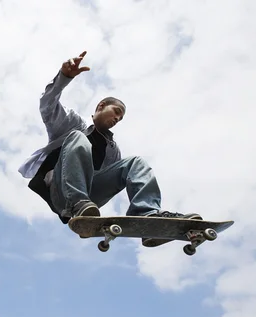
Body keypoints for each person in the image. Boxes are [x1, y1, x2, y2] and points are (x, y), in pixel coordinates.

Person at [18, 51, 202, 247]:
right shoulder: (71, 123)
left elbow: (116, 183)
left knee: (136, 163)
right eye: (116, 112)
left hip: (91, 196)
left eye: (120, 119)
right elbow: (48, 105)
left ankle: (148, 216)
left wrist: (91, 223)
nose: (117, 119)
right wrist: (64, 77)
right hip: (60, 192)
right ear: (101, 106)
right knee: (78, 137)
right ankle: (77, 205)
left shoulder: (113, 151)